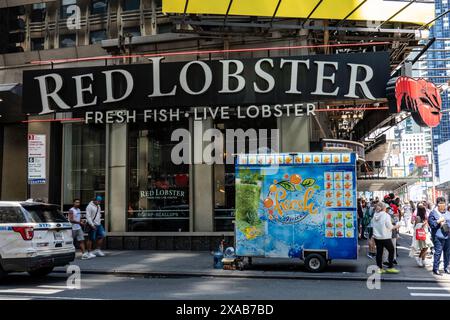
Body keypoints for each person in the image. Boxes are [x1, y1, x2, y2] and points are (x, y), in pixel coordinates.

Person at [372, 202, 401, 274]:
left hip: (377, 237)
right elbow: (390, 227)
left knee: (379, 252)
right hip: (385, 236)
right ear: (384, 208)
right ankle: (390, 267)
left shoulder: (375, 215)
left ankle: (379, 268)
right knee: (391, 250)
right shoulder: (386, 215)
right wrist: (397, 226)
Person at [428, 197, 450, 276]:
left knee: (447, 253)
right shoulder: (433, 213)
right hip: (438, 236)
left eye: (444, 203)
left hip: (447, 235)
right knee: (438, 252)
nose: (443, 205)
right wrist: (438, 221)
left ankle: (446, 267)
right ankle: (435, 268)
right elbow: (431, 224)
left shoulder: (447, 213)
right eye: (441, 203)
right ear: (437, 204)